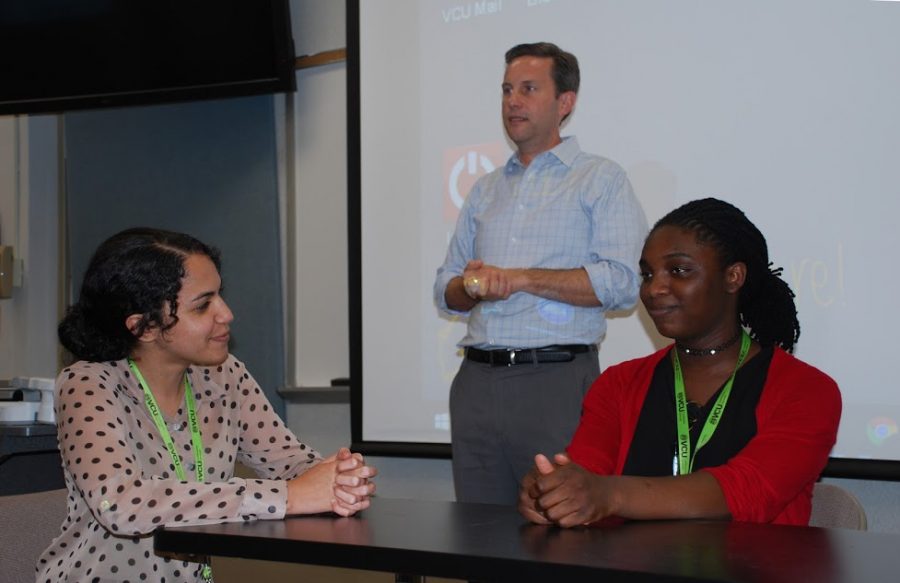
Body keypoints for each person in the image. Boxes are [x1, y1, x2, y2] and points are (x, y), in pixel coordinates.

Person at [37, 228, 376, 582]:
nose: (226, 314)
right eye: (203, 305)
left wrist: (339, 477)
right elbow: (121, 504)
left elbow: (288, 461)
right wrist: (288, 496)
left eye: (220, 296)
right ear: (144, 327)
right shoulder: (88, 384)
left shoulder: (224, 374)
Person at [518, 198, 841, 527]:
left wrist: (609, 494)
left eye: (679, 270)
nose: (654, 288)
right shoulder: (619, 384)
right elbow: (586, 477)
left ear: (733, 276)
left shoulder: (808, 390)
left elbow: (750, 492)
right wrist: (552, 494)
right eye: (647, 274)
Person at [433, 42, 647, 505]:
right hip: (475, 384)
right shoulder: (485, 189)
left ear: (564, 103)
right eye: (508, 90)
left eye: (529, 89)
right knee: (479, 540)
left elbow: (623, 283)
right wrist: (470, 287)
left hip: (555, 380)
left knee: (560, 537)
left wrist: (521, 279)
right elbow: (444, 290)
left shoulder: (600, 179)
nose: (513, 101)